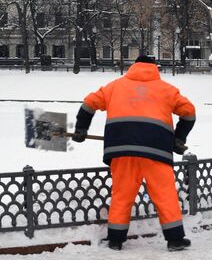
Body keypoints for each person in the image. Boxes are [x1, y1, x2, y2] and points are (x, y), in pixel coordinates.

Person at [72, 53, 196, 252]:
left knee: (122, 195)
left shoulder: (115, 86)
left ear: (133, 66)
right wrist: (178, 139)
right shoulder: (167, 90)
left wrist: (81, 129)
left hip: (122, 150)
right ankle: (175, 239)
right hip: (156, 151)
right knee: (165, 196)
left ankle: (115, 240)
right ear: (155, 68)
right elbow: (189, 112)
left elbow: (89, 103)